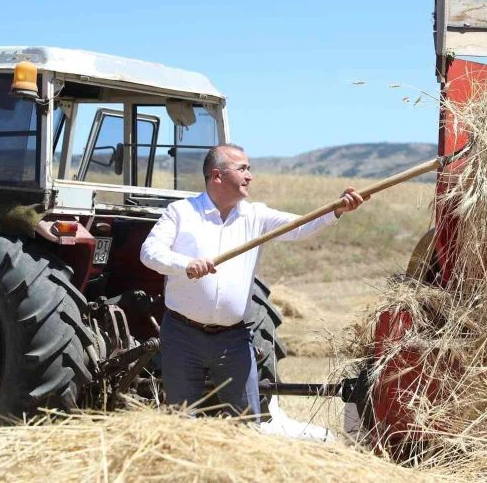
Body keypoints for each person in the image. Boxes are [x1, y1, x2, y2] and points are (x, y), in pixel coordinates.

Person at [140, 143, 366, 419]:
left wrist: (337, 209)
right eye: (243, 168)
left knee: (247, 422)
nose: (250, 176)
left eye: (249, 168)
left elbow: (300, 227)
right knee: (181, 421)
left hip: (233, 338)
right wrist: (185, 264)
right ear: (217, 175)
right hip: (182, 336)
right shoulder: (181, 212)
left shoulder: (255, 215)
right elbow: (150, 253)